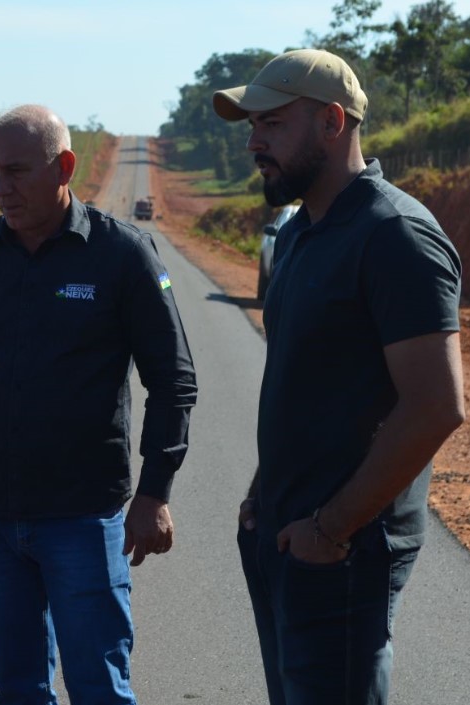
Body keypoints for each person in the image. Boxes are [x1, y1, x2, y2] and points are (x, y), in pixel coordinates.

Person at [0, 104, 198, 704]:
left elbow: (173, 381)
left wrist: (154, 493)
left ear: (64, 166)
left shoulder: (123, 255)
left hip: (85, 520)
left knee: (100, 689)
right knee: (18, 692)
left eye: (15, 171)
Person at [213, 49, 465, 705]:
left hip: (344, 551)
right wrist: (263, 495)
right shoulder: (300, 232)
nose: (252, 141)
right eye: (250, 125)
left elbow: (436, 405)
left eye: (269, 123)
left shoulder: (394, 234)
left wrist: (329, 528)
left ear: (330, 121)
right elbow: (310, 385)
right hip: (288, 537)